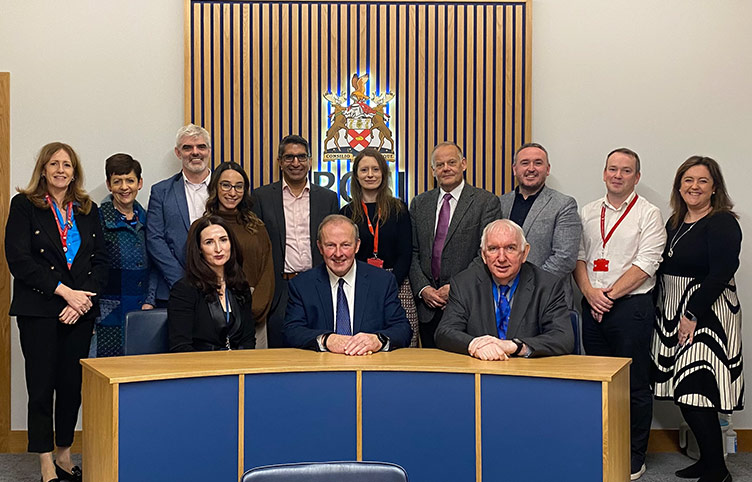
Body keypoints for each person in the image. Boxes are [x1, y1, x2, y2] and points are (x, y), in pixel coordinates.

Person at [5, 142, 108, 482]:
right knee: (41, 386)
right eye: (54, 164)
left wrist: (82, 303)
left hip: (79, 312)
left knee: (70, 386)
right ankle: (45, 462)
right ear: (43, 170)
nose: (61, 169)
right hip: (40, 311)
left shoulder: (87, 208)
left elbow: (100, 262)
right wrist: (65, 293)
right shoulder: (24, 205)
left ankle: (64, 452)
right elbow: (20, 260)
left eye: (67, 164)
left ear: (75, 171)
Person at [573, 147, 666, 481]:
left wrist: (607, 297)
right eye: (612, 169)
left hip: (631, 308)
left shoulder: (649, 214)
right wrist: (589, 294)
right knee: (599, 384)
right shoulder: (587, 211)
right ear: (604, 173)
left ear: (637, 177)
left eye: (626, 171)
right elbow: (579, 257)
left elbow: (646, 264)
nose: (617, 175)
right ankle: (603, 448)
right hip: (592, 303)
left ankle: (633, 456)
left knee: (634, 384)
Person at [652, 156, 743, 482]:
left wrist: (691, 314)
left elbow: (720, 273)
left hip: (708, 314)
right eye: (688, 180)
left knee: (697, 390)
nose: (694, 186)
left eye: (702, 181)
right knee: (686, 392)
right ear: (679, 185)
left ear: (714, 187)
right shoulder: (675, 221)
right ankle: (708, 462)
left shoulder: (722, 222)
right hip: (674, 313)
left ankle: (718, 471)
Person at [435, 220, 573, 359]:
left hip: (528, 373)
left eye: (510, 248)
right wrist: (474, 344)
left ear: (524, 253)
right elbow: (445, 332)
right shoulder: (464, 284)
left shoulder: (547, 285)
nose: (501, 258)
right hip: (481, 370)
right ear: (483, 255)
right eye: (493, 249)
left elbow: (563, 338)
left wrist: (515, 346)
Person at [409, 142, 501, 347]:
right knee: (431, 370)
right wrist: (423, 289)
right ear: (433, 171)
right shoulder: (419, 203)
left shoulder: (486, 202)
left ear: (464, 164)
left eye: (451, 162)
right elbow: (412, 252)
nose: (446, 168)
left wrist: (456, 287)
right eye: (439, 165)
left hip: (467, 304)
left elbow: (487, 253)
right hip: (428, 306)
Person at [252, 134, 339, 347]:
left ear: (310, 161)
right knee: (279, 348)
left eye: (301, 157)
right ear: (280, 162)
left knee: (321, 344)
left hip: (319, 282)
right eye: (289, 157)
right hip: (280, 287)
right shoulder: (261, 197)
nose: (296, 163)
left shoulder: (327, 198)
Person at [283, 215, 412, 353]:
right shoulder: (302, 285)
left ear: (357, 246)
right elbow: (291, 332)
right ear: (320, 247)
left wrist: (378, 340)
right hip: (322, 368)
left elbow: (403, 329)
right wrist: (325, 340)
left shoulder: (382, 281)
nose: (338, 254)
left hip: (369, 366)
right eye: (330, 245)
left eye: (345, 245)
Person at [340, 148, 417, 346]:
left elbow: (405, 253)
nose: (370, 175)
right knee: (362, 340)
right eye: (364, 170)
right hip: (359, 283)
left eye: (375, 169)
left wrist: (389, 283)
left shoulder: (399, 209)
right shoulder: (346, 213)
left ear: (383, 173)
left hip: (396, 283)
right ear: (356, 176)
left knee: (403, 339)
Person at [499, 143, 581, 306]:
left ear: (547, 169)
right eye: (525, 163)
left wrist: (525, 285)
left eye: (538, 163)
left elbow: (564, 258)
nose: (531, 168)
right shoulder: (500, 203)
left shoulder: (564, 205)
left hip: (547, 299)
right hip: (503, 299)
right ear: (515, 169)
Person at [94, 153, 156, 357]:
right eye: (117, 181)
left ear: (140, 183)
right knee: (106, 375)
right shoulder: (97, 218)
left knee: (140, 376)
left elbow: (156, 264)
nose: (124, 187)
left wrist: (150, 299)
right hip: (107, 313)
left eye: (130, 180)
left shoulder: (149, 219)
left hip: (143, 310)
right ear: (108, 184)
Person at [205, 162, 274, 348]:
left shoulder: (256, 225)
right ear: (215, 187)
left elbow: (267, 270)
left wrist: (253, 309)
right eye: (225, 185)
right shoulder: (204, 226)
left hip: (254, 311)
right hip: (215, 311)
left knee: (254, 371)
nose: (232, 192)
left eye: (239, 186)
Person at [147, 124, 212, 306]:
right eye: (187, 148)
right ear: (178, 153)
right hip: (173, 288)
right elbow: (154, 239)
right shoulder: (161, 192)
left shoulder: (224, 190)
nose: (195, 152)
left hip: (218, 288)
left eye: (201, 146)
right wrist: (181, 280)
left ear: (209, 151)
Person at [168, 215, 256, 351]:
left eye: (223, 240)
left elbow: (248, 339)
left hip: (238, 366)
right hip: (200, 367)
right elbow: (180, 346)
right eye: (209, 242)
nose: (218, 248)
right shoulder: (184, 290)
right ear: (199, 249)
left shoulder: (240, 286)